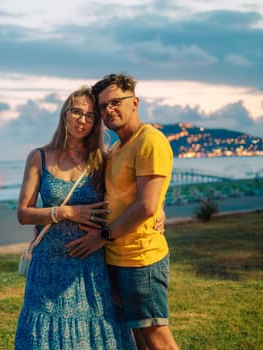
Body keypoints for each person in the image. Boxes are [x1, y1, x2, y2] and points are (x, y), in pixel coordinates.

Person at [14, 86, 136, 349]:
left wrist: (158, 210)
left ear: (96, 123)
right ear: (64, 114)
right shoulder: (39, 157)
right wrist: (65, 211)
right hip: (47, 265)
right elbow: (23, 214)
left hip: (90, 266)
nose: (82, 120)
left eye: (90, 116)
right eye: (77, 112)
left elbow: (130, 195)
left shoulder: (103, 160)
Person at [67, 73, 179, 350]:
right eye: (103, 106)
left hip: (141, 258)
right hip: (119, 258)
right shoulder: (117, 149)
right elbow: (128, 197)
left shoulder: (149, 141)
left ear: (135, 102)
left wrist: (102, 236)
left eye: (116, 102)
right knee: (139, 337)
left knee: (156, 336)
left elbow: (146, 205)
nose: (109, 110)